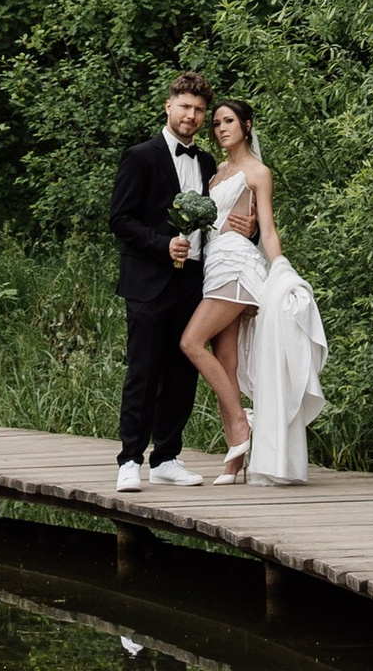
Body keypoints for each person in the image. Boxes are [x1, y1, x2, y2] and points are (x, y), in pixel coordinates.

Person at [108, 70, 256, 491]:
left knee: (181, 371)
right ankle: (129, 460)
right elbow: (120, 218)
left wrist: (251, 230)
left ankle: (167, 456)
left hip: (196, 279)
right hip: (149, 280)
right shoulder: (140, 156)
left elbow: (225, 220)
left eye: (199, 110)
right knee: (144, 369)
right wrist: (161, 245)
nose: (191, 116)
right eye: (185, 107)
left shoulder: (209, 163)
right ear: (169, 106)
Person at [178, 98, 287, 482]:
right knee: (226, 363)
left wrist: (281, 269)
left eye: (229, 121)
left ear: (247, 125)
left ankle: (242, 424)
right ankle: (234, 459)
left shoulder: (258, 172)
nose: (221, 128)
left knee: (191, 342)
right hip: (214, 266)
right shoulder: (217, 172)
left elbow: (267, 229)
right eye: (218, 123)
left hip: (237, 267)